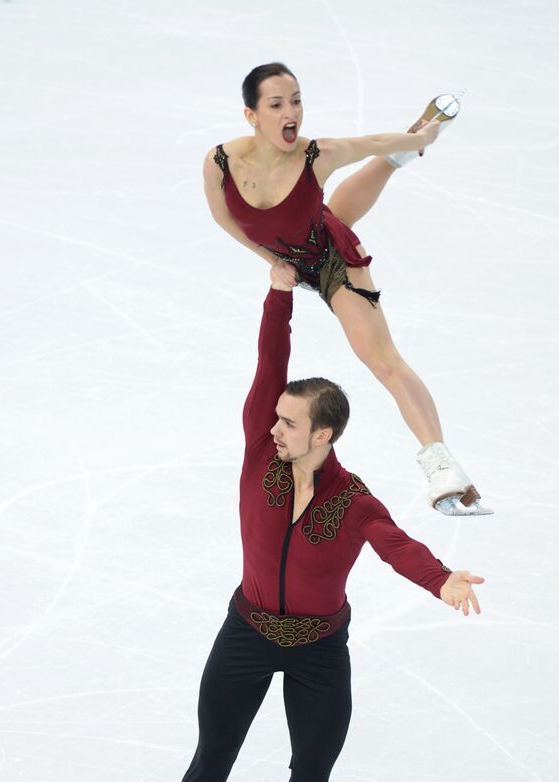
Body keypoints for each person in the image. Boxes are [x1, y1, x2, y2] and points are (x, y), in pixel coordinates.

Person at [132, 265, 485, 782]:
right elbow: (271, 364)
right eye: (277, 418)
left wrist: (441, 579)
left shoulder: (353, 501)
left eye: (291, 423)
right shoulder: (258, 458)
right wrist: (278, 291)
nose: (275, 428)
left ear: (325, 435)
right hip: (246, 633)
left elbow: (394, 541)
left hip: (321, 648)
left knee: (314, 765)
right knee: (212, 758)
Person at [203, 62, 492, 517]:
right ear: (251, 115)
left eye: (296, 100)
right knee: (326, 212)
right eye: (276, 104)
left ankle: (442, 466)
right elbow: (224, 219)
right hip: (301, 240)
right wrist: (273, 262)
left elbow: (369, 142)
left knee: (381, 360)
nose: (290, 112)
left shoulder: (316, 156)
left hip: (333, 260)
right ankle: (396, 160)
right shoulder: (221, 162)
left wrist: (419, 141)